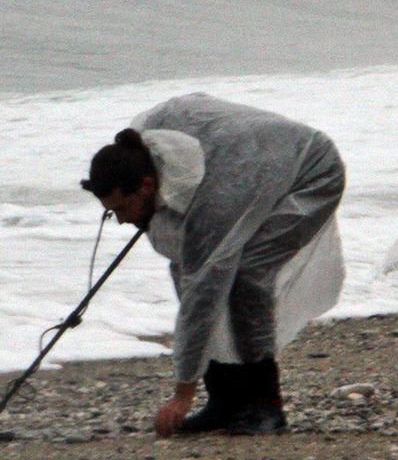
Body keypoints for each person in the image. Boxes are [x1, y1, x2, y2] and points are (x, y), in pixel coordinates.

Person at [81, 93, 346, 437]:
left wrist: (182, 392)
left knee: (247, 275)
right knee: (187, 263)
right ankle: (224, 399)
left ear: (147, 185)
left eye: (122, 208)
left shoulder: (216, 202)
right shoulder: (141, 142)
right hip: (253, 162)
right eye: (111, 211)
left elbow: (202, 295)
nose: (119, 221)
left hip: (311, 172)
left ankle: (266, 405)